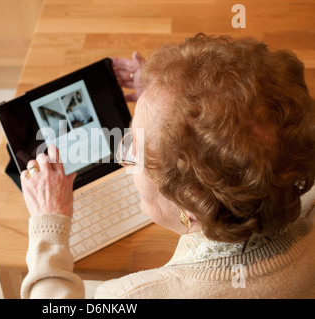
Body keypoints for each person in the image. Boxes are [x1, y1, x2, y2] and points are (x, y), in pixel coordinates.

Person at [19, 33, 315, 298]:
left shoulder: (134, 294)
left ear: (192, 202)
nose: (124, 158)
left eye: (134, 150)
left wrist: (49, 227)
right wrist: (166, 101)